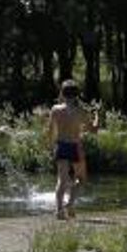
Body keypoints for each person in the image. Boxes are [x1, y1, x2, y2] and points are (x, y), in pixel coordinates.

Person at [47, 79, 100, 219]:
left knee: (62, 180)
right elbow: (94, 130)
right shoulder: (82, 111)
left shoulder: (55, 109)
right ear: (77, 95)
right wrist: (97, 117)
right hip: (75, 146)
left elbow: (50, 130)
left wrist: (51, 145)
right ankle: (70, 204)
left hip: (61, 145)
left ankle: (59, 210)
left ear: (62, 94)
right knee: (81, 179)